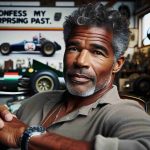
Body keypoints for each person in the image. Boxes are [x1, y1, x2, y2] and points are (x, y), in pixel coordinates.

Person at [0, 2, 150, 150]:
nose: (80, 61)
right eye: (73, 48)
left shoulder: (123, 112)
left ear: (117, 64)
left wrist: (26, 136)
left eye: (97, 52)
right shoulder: (37, 100)